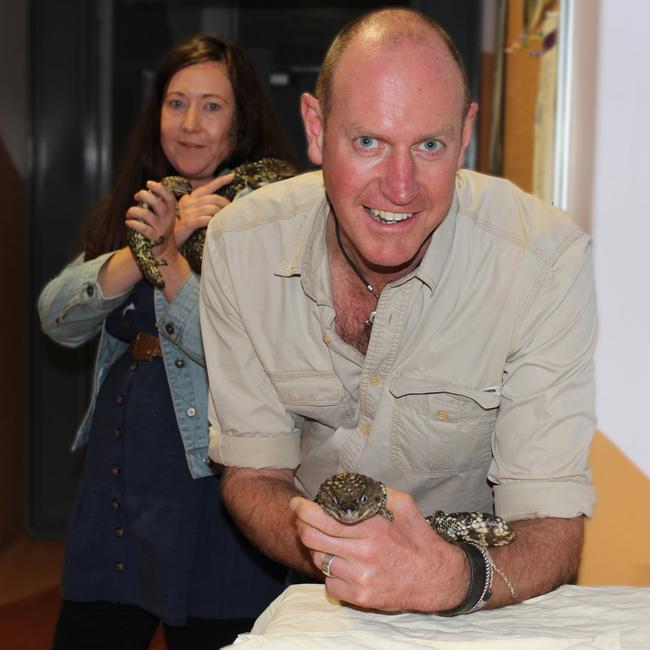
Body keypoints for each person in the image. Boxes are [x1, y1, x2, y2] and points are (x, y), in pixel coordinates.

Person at [199, 8, 597, 618]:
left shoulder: (543, 262)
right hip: (316, 595)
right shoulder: (240, 246)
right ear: (315, 126)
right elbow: (254, 477)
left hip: (485, 600)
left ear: (465, 134)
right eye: (368, 142)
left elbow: (551, 528)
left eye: (430, 145)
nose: (401, 187)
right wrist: (357, 562)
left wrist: (446, 579)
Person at [38, 34, 295, 650]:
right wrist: (147, 248)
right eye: (176, 103)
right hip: (120, 475)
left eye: (212, 106)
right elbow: (56, 316)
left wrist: (172, 261)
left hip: (217, 484)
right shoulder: (138, 202)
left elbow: (251, 355)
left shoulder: (272, 213)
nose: (190, 123)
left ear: (242, 118)